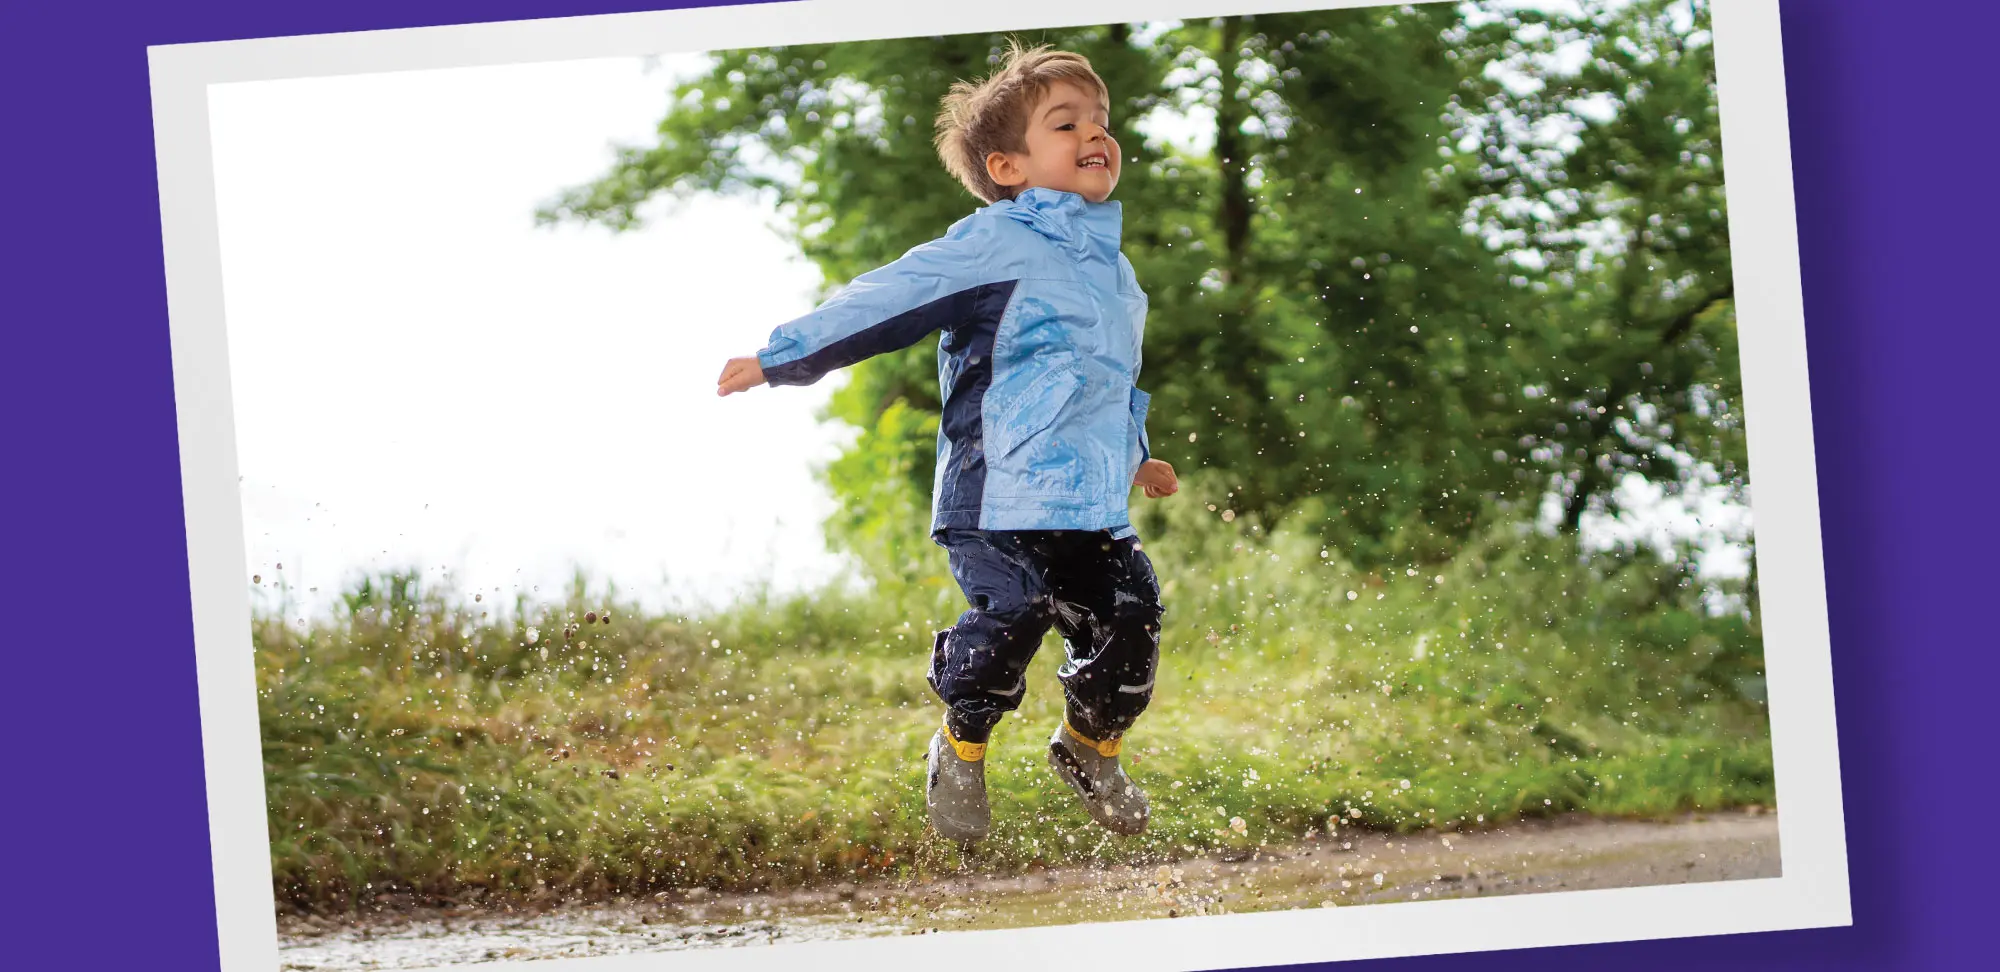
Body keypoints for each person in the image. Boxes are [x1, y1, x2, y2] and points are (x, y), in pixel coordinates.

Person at [715, 42, 1177, 842]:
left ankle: (1087, 749)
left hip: (1089, 504)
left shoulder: (1117, 276)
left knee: (1133, 621)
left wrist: (1136, 453)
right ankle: (961, 748)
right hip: (995, 496)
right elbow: (888, 297)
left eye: (1100, 120)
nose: (1095, 134)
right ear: (1008, 168)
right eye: (1065, 123)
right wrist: (782, 356)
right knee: (1015, 612)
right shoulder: (995, 243)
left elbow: (1103, 381)